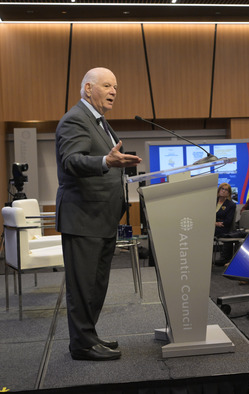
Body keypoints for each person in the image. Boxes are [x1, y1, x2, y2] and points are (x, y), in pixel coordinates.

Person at [56, 67, 142, 361]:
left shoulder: (99, 122)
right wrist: (106, 160)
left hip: (100, 218)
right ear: (88, 88)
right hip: (83, 217)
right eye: (107, 86)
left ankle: (88, 335)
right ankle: (81, 344)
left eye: (116, 86)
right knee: (83, 286)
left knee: (95, 284)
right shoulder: (75, 119)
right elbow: (71, 161)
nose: (114, 91)